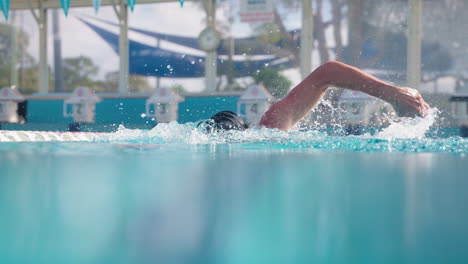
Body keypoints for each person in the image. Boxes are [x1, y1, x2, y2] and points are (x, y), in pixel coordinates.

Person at [202, 61, 430, 133]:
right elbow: (326, 74)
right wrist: (390, 93)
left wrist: (390, 94)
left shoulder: (268, 128)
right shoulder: (269, 129)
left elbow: (327, 73)